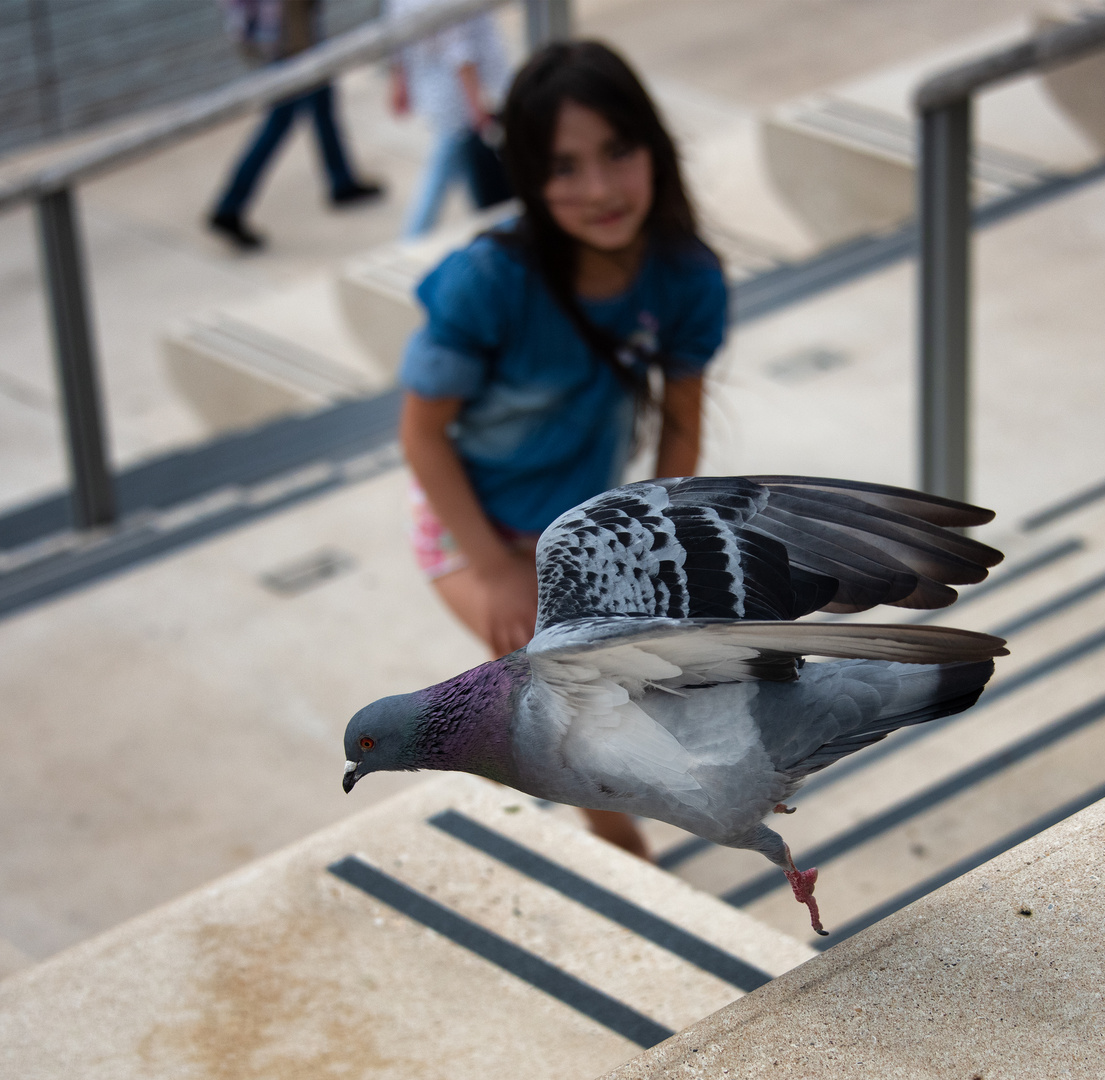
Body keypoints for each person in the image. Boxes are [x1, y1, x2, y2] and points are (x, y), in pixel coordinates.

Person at [397, 41, 728, 859]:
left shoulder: (686, 275)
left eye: (618, 152)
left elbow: (680, 425)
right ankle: (634, 866)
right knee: (569, 711)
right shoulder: (488, 281)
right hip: (472, 530)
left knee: (644, 688)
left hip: (577, 531)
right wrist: (499, 569)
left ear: (655, 147)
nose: (602, 189)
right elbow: (420, 435)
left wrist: (659, 551)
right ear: (531, 182)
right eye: (565, 167)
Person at [208, 0, 382, 251]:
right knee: (282, 117)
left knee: (322, 100)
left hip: (291, 26)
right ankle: (229, 205)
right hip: (285, 34)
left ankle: (341, 180)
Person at [386, 0, 512, 238]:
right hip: (458, 101)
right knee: (449, 176)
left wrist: (399, 81)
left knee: (470, 177)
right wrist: (477, 109)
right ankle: (410, 239)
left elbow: (397, 34)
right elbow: (459, 52)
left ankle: (498, 233)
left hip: (436, 92)